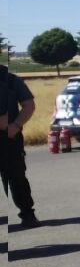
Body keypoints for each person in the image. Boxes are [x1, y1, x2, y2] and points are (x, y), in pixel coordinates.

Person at [1, 62, 40, 228]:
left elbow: (29, 104)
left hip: (8, 138)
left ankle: (27, 213)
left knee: (16, 176)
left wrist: (15, 126)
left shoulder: (10, 80)